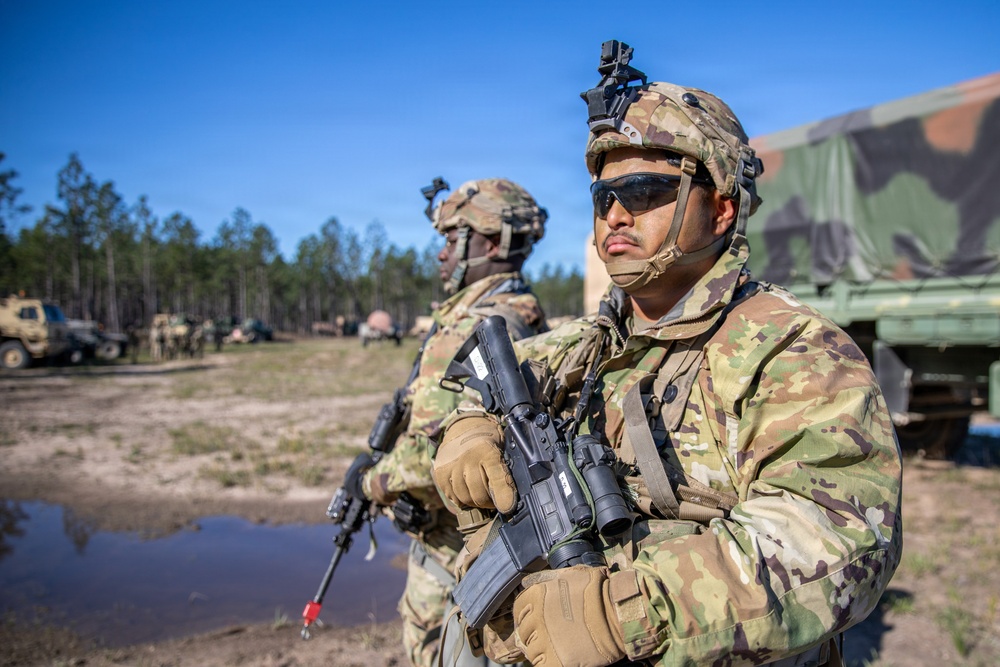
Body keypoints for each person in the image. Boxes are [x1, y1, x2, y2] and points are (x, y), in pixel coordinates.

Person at [431, 42, 902, 667]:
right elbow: (475, 385)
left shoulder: (791, 349)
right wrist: (468, 428)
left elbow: (843, 536)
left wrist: (629, 609)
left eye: (648, 191)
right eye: (603, 199)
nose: (616, 216)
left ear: (722, 208)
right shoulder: (587, 344)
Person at [344, 177, 549, 667]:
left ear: (493, 242)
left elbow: (437, 449)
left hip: (455, 548)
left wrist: (371, 481)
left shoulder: (471, 326)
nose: (441, 255)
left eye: (452, 240)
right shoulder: (522, 313)